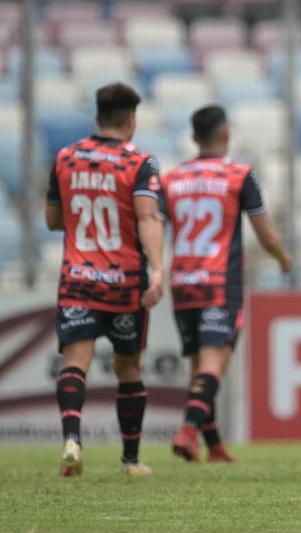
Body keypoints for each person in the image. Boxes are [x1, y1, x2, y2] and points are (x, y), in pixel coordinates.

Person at [45, 82, 165, 477]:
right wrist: (159, 268)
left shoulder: (65, 158)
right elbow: (148, 217)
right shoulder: (139, 162)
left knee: (74, 363)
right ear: (131, 119)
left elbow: (53, 220)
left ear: (97, 116)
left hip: (77, 277)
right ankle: (130, 461)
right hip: (124, 282)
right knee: (128, 368)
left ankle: (72, 440)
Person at [163, 105, 292, 462]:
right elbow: (264, 233)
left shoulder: (171, 179)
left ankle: (215, 446)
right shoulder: (239, 174)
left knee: (199, 367)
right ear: (226, 134)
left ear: (193, 137)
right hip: (220, 282)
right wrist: (282, 258)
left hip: (182, 281)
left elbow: (157, 225)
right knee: (213, 365)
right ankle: (188, 433)